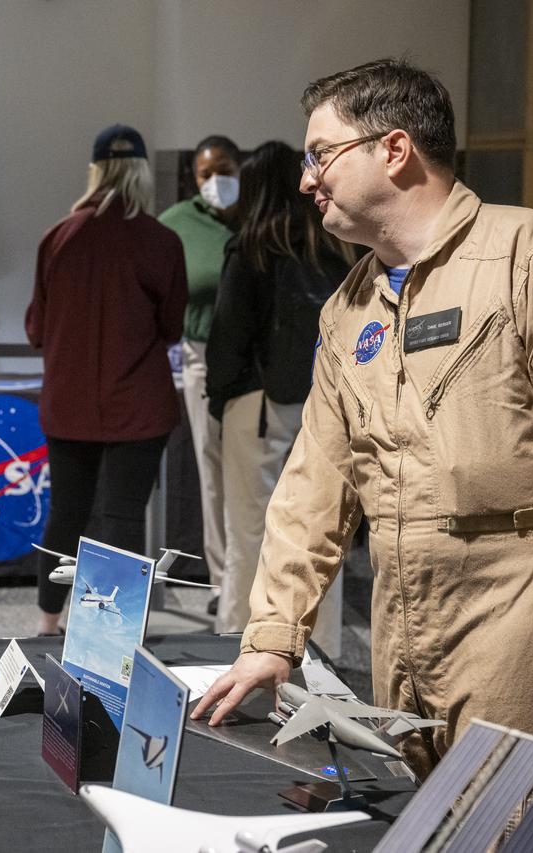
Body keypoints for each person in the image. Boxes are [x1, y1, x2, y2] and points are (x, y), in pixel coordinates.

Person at [191, 59, 533, 777]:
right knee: (422, 821)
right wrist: (273, 634)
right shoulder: (349, 307)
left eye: (321, 155)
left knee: (517, 824)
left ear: (395, 149)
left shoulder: (531, 259)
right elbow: (315, 481)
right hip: (402, 628)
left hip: (518, 629)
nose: (305, 178)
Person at [25, 124, 187, 636]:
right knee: (121, 520)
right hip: (138, 405)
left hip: (68, 403)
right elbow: (172, 327)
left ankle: (48, 623)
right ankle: (111, 635)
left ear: (95, 171)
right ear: (141, 171)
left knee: (65, 515)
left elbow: (36, 328)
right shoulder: (161, 241)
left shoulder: (59, 237)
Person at [205, 140, 354, 636]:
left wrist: (219, 397)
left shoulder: (250, 250)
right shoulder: (336, 251)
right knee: (320, 534)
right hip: (328, 406)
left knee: (248, 533)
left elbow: (226, 340)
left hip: (258, 406)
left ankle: (235, 648)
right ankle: (319, 656)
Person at [158, 135, 241, 611]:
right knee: (213, 470)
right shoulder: (177, 224)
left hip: (259, 360)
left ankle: (259, 574)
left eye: (224, 170)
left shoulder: (257, 215)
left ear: (240, 168)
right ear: (193, 177)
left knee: (257, 471)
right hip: (204, 355)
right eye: (206, 174)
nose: (216, 182)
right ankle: (223, 579)